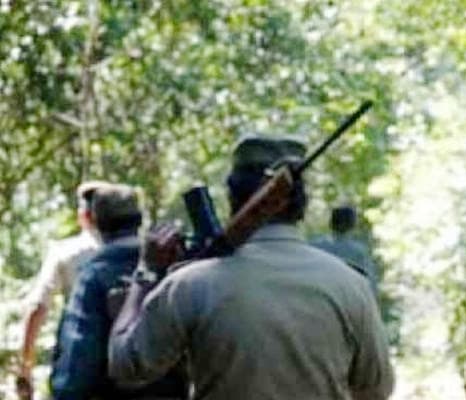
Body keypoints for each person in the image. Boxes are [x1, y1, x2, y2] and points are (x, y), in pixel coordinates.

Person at [108, 135, 394, 400]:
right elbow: (376, 389)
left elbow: (125, 367)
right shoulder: (350, 285)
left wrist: (146, 272)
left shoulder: (190, 284)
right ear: (302, 202)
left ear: (233, 195)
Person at [50, 183, 188, 400]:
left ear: (96, 222)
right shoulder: (173, 266)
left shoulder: (94, 278)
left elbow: (77, 365)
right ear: (140, 220)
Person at [17, 181, 108, 399]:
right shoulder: (140, 252)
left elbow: (37, 308)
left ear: (83, 216)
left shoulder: (65, 253)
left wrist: (25, 367)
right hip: (133, 365)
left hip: (82, 362)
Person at [311, 205, 380, 295]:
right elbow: (370, 285)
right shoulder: (358, 252)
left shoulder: (315, 246)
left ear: (330, 223)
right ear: (352, 225)